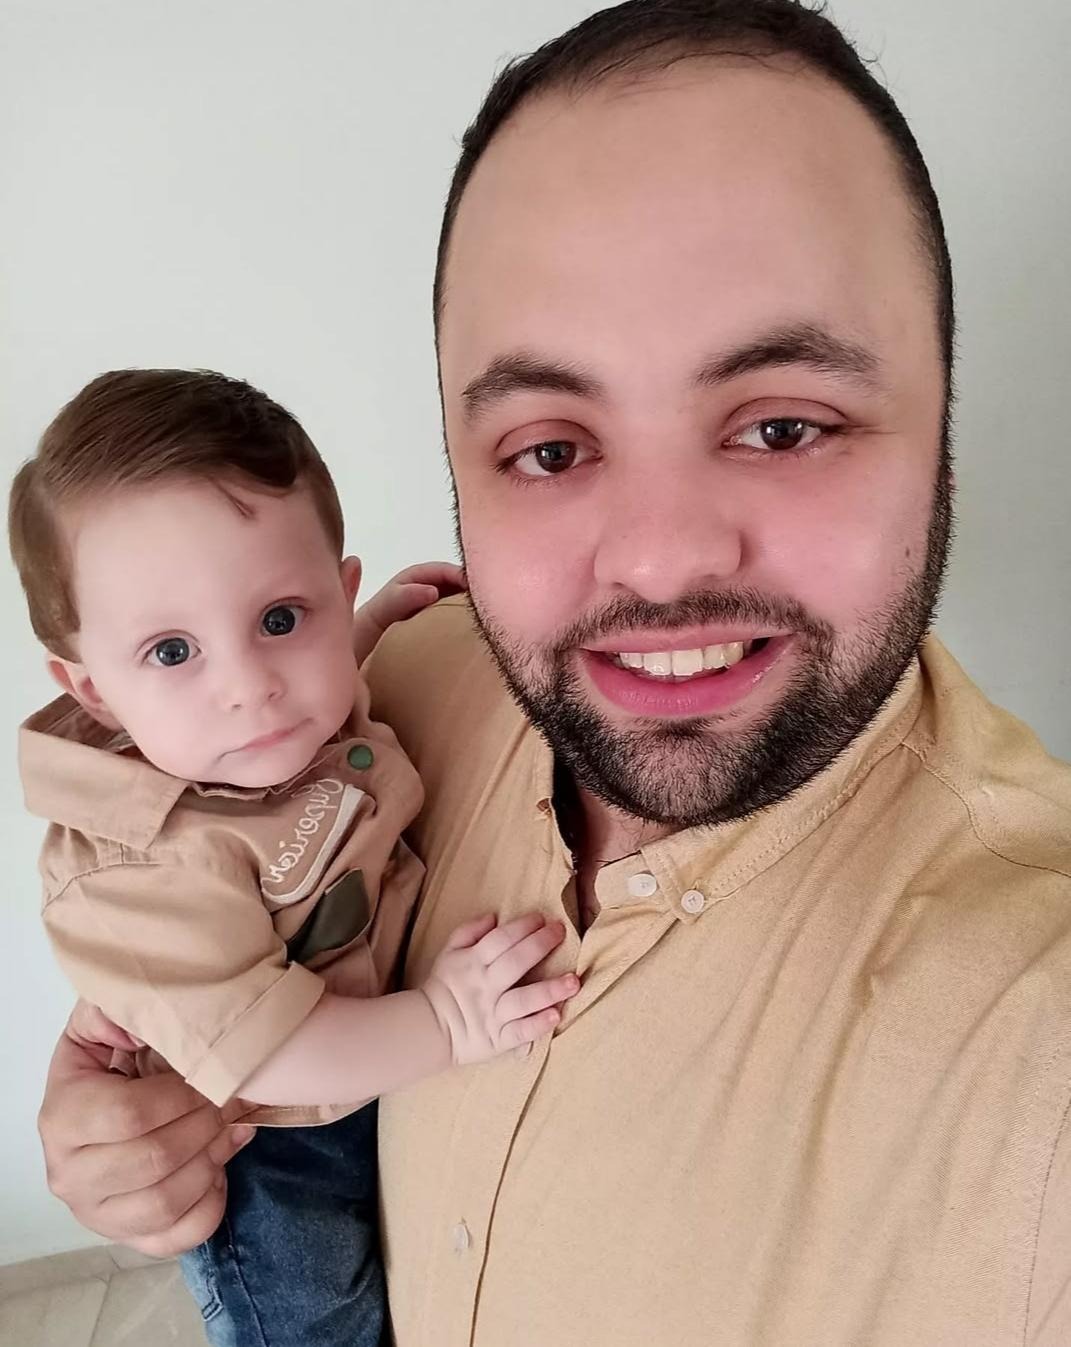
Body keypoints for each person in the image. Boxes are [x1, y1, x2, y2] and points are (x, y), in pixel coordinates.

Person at [35, 2, 1071, 1344]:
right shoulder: (400, 682)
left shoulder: (1030, 1031)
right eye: (549, 449)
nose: (657, 561)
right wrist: (120, 1123)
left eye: (780, 425)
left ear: (943, 429)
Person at [10, 368, 578, 1346]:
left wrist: (367, 634)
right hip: (267, 1155)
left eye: (281, 618)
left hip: (372, 1072)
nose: (252, 686)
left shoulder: (288, 720)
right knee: (321, 1324)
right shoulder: (135, 872)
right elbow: (271, 1051)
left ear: (336, 589)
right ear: (93, 689)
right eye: (172, 652)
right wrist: (447, 1020)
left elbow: (313, 689)